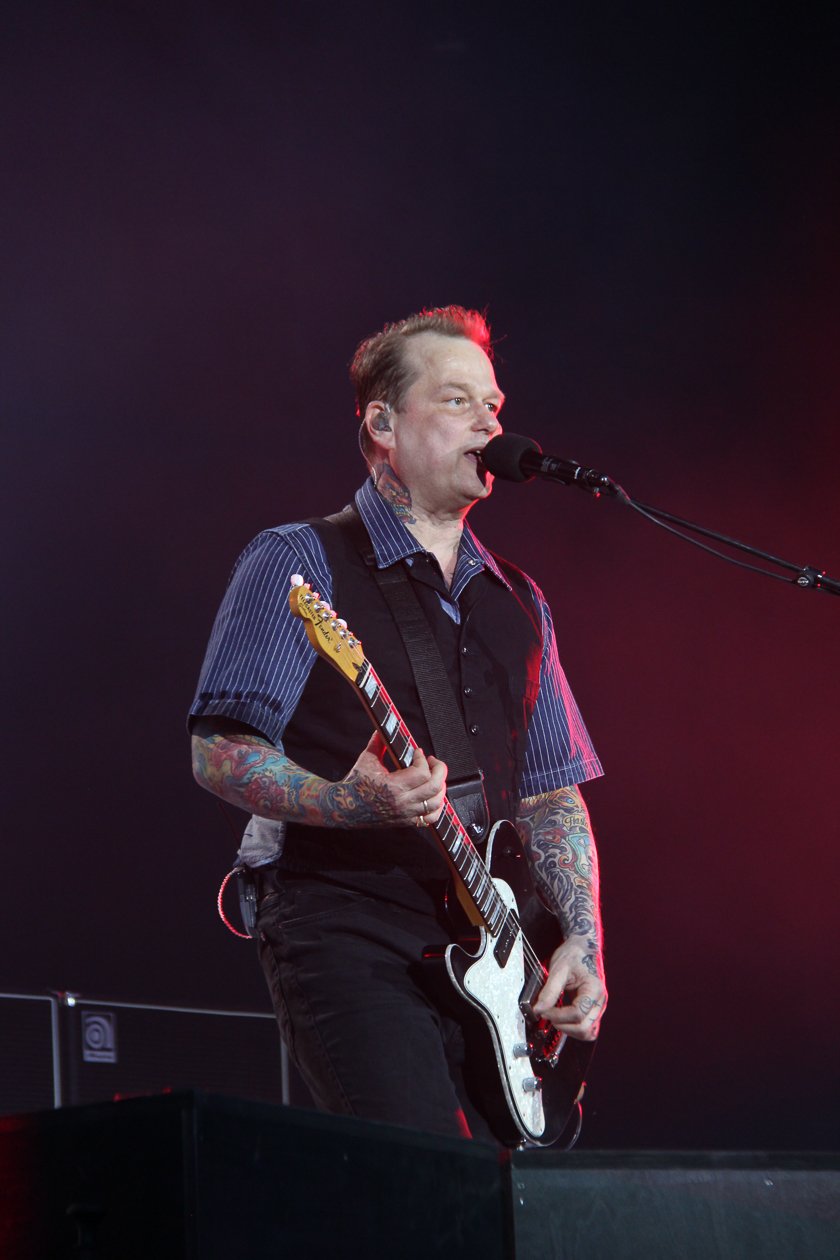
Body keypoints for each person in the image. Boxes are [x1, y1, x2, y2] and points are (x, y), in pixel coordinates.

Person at [189, 306, 607, 1143]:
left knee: (515, 1206)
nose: (491, 420)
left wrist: (584, 947)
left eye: (493, 403)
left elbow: (554, 793)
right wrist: (353, 803)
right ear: (382, 423)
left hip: (495, 945)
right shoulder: (299, 559)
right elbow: (220, 752)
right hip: (346, 920)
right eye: (457, 400)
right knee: (424, 1185)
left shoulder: (521, 600)